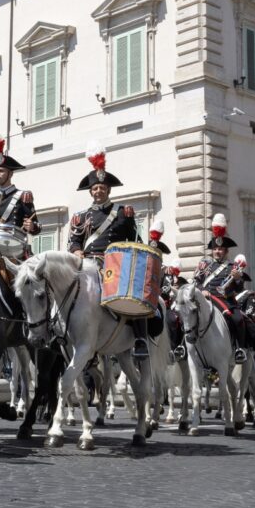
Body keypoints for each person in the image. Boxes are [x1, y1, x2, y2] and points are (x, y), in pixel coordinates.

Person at [67, 142, 151, 358]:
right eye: (94, 188)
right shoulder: (81, 217)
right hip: (86, 264)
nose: (98, 191)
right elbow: (74, 241)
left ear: (108, 190)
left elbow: (135, 241)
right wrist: (77, 251)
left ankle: (140, 339)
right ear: (90, 191)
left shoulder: (123, 213)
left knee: (131, 294)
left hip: (113, 265)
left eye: (101, 188)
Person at [194, 214, 250, 364]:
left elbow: (239, 289)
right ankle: (181, 347)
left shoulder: (233, 268)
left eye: (220, 249)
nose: (217, 251)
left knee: (238, 319)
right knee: (185, 316)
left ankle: (239, 349)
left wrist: (238, 278)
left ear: (226, 251)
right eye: (215, 249)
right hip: (204, 299)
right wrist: (201, 290)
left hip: (225, 301)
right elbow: (196, 282)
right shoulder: (204, 266)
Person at [0, 132, 40, 243]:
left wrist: (31, 226)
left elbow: (38, 226)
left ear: (10, 174)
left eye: (1, 171)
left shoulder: (23, 196)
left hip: (15, 247)